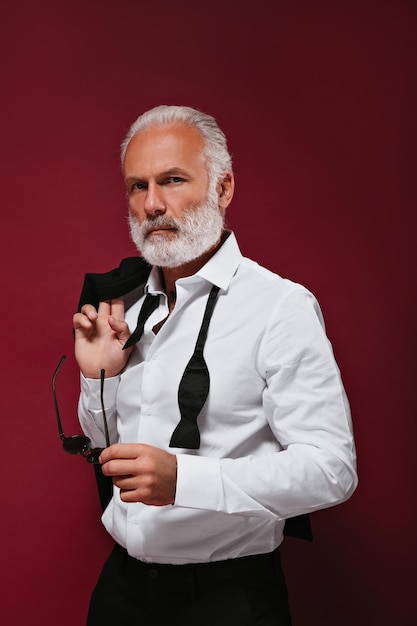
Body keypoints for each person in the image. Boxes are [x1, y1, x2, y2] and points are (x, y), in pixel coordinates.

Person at [73, 104, 357, 626]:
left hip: (226, 598)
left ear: (222, 189)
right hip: (121, 592)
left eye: (172, 180)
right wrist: (98, 379)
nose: (152, 204)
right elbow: (104, 445)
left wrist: (186, 480)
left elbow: (331, 470)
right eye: (137, 186)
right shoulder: (128, 308)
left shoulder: (280, 306)